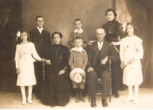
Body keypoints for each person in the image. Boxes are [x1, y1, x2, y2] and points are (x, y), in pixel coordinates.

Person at [86, 28, 118, 108]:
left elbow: (116, 57)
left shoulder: (109, 45)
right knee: (92, 76)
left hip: (104, 69)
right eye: (98, 34)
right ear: (95, 35)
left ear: (104, 34)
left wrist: (107, 58)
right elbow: (88, 58)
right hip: (93, 68)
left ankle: (104, 99)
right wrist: (89, 66)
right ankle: (93, 99)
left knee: (106, 76)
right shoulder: (91, 46)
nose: (99, 36)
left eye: (101, 34)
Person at [41, 32, 71, 107]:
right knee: (51, 78)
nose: (56, 39)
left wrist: (64, 70)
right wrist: (47, 60)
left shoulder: (65, 48)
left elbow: (68, 61)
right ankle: (52, 102)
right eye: (54, 37)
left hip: (63, 69)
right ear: (52, 39)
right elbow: (45, 58)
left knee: (61, 79)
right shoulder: (49, 48)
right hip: (52, 69)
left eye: (57, 37)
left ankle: (61, 101)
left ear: (60, 38)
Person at [14, 30, 44, 105]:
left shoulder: (31, 44)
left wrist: (40, 59)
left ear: (28, 36)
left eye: (25, 35)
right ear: (20, 37)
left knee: (30, 81)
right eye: (22, 35)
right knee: (22, 82)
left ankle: (29, 97)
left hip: (29, 63)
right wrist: (17, 67)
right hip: (21, 64)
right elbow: (16, 57)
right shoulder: (18, 46)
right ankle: (23, 98)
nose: (23, 37)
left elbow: (35, 54)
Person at [102, 8, 126, 98]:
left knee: (115, 69)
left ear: (114, 16)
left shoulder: (118, 25)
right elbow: (103, 38)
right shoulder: (104, 26)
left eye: (110, 14)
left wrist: (116, 43)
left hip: (116, 47)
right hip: (107, 47)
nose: (109, 16)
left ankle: (116, 89)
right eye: (107, 14)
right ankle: (108, 88)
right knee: (107, 68)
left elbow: (123, 38)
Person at [120, 23, 143, 104]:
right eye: (127, 28)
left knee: (135, 79)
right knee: (128, 78)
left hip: (135, 62)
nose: (128, 29)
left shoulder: (137, 39)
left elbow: (140, 53)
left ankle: (136, 97)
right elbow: (121, 52)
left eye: (130, 28)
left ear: (133, 29)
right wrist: (122, 61)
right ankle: (130, 96)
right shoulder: (124, 40)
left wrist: (134, 58)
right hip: (126, 61)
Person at [29, 15, 51, 99]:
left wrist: (46, 57)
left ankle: (44, 91)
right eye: (38, 21)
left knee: (44, 74)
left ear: (44, 22)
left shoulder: (47, 33)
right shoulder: (32, 33)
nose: (40, 22)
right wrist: (34, 57)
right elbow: (30, 46)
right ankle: (37, 92)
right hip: (35, 57)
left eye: (42, 21)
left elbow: (49, 46)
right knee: (36, 74)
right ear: (35, 22)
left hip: (44, 57)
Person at [69, 36, 88, 103]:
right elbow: (70, 61)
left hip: (81, 71)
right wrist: (73, 69)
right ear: (74, 43)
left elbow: (85, 61)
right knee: (75, 83)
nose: (77, 44)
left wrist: (82, 69)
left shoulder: (84, 52)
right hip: (74, 71)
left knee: (82, 84)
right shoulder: (72, 52)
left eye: (79, 42)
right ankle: (77, 96)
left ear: (82, 43)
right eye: (76, 42)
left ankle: (81, 96)